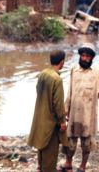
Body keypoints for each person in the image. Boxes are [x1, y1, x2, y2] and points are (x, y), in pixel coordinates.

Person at [27, 50, 68, 172]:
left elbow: (39, 92)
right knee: (50, 151)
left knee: (41, 146)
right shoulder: (57, 79)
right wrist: (62, 121)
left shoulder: (43, 74)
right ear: (62, 62)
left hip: (40, 118)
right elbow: (58, 104)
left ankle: (40, 167)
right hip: (50, 122)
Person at [60, 43, 99, 172]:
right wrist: (66, 109)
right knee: (70, 140)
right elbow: (69, 91)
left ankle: (82, 166)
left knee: (86, 143)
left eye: (87, 56)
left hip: (89, 115)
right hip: (73, 113)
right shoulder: (74, 70)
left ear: (92, 58)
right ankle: (68, 163)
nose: (84, 58)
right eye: (82, 55)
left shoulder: (97, 73)